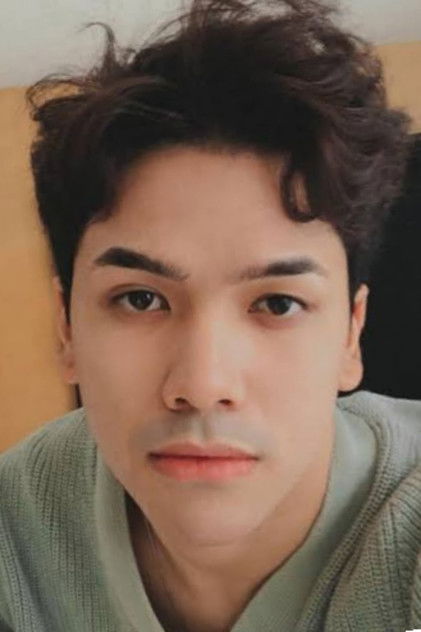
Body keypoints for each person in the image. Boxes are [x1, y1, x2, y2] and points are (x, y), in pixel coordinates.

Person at [1, 0, 420, 630]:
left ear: (350, 335)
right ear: (67, 327)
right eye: (140, 298)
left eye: (277, 303)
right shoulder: (16, 529)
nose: (202, 385)